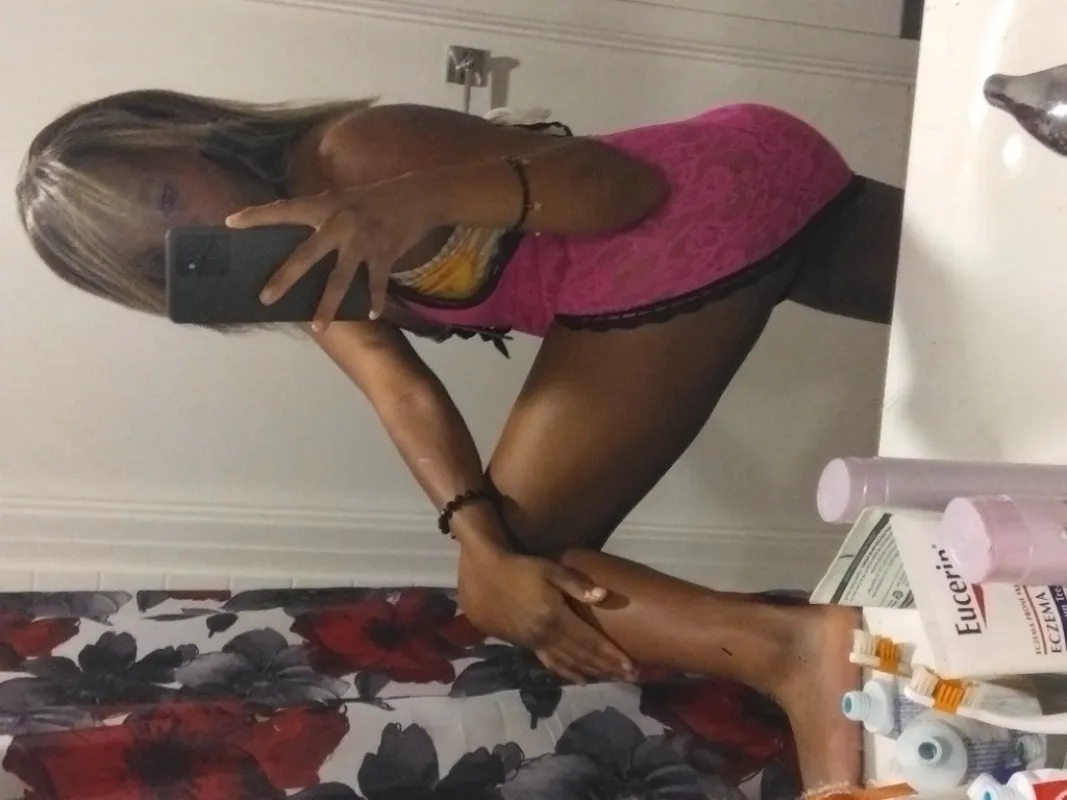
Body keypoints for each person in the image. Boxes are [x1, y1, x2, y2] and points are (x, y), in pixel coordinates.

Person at [15, 90, 901, 698]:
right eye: (156, 253)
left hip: (679, 216)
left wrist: (404, 203)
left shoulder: (350, 150)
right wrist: (474, 537)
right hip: (757, 175)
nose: (196, 229)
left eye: (167, 193)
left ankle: (796, 653)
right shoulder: (297, 270)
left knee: (519, 567)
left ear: (188, 136)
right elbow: (397, 389)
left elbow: (619, 186)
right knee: (977, 298)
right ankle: (800, 649)